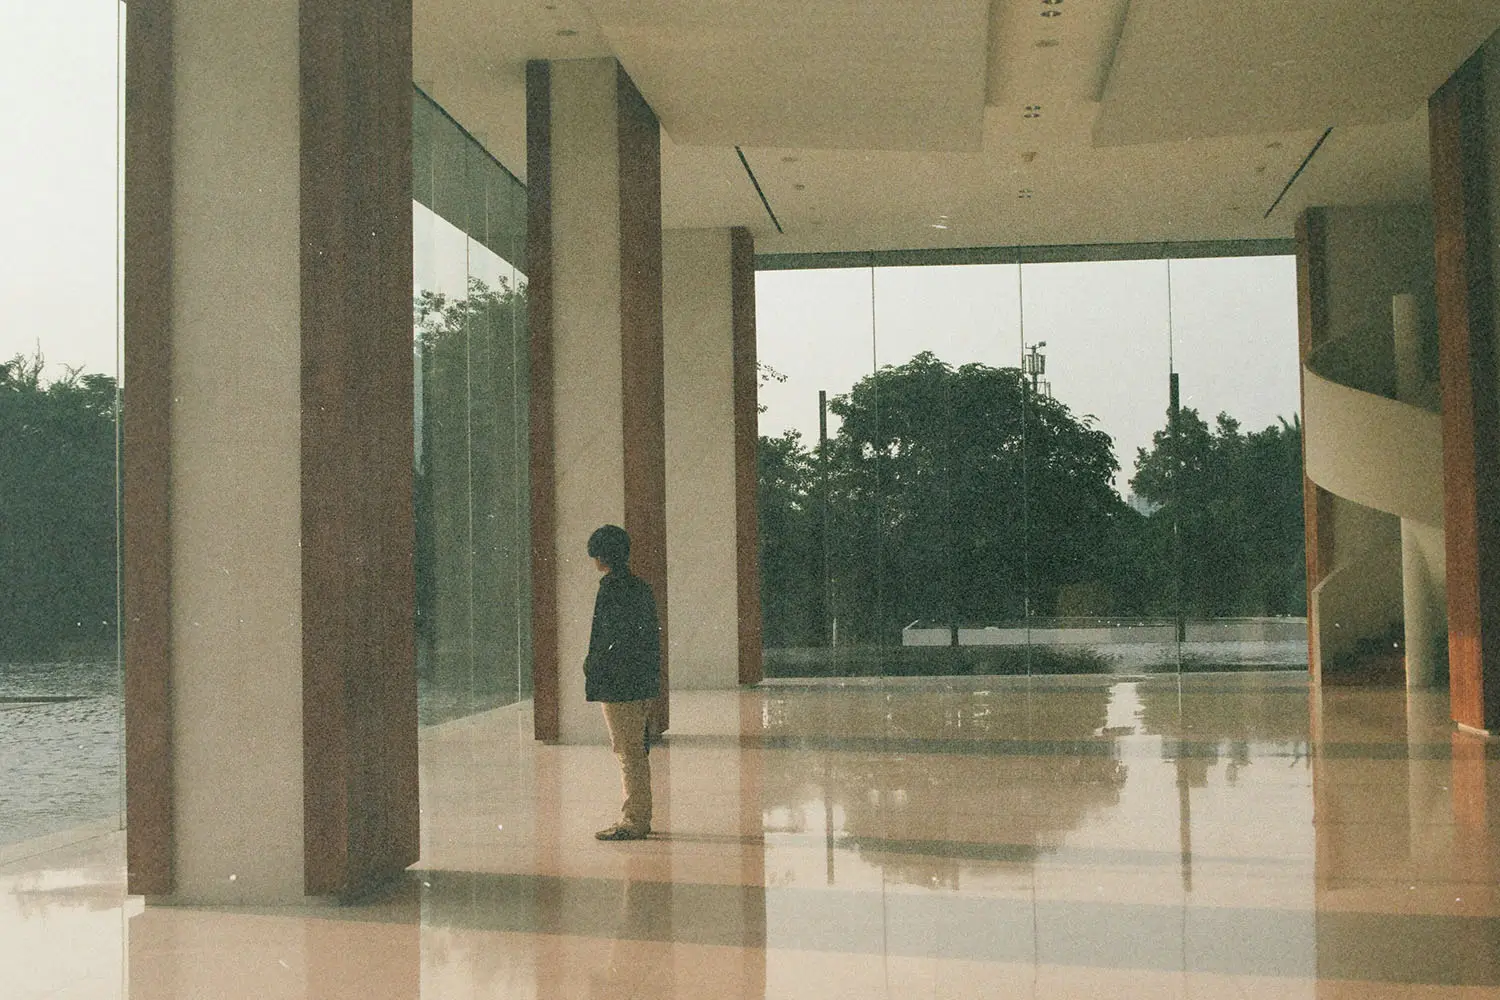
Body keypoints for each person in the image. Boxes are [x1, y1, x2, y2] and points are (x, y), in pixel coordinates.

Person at [584, 524, 661, 841]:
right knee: (634, 748)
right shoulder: (640, 587)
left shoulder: (611, 589)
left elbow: (608, 638)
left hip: (619, 682)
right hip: (640, 680)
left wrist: (593, 665)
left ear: (601, 556)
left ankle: (634, 820)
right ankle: (638, 815)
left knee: (628, 751)